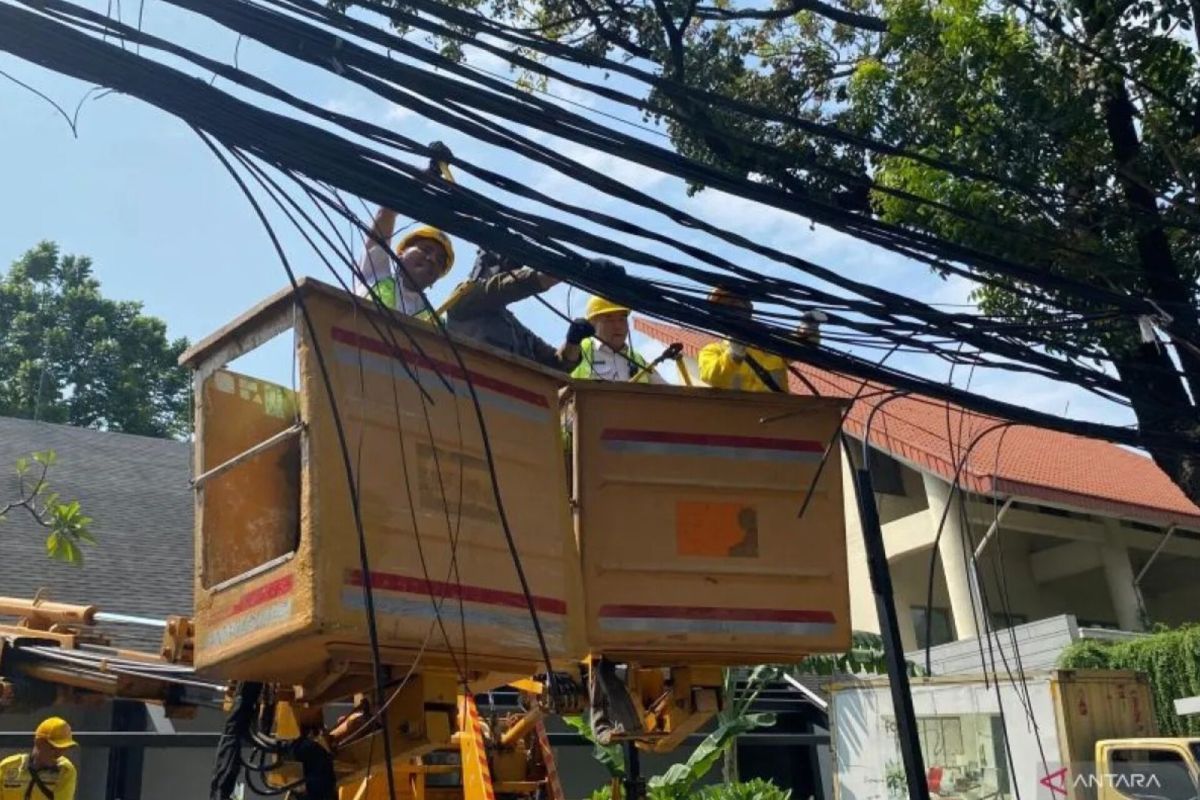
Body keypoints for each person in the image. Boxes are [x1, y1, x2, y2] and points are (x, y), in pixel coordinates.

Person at [444, 249, 592, 371]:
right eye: (495, 263)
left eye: (512, 266)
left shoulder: (514, 329)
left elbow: (558, 365)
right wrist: (569, 268)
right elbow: (502, 288)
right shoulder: (461, 300)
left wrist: (573, 342)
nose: (504, 270)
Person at [354, 206, 455, 318]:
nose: (432, 259)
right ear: (401, 253)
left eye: (439, 260)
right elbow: (386, 211)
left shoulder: (436, 323)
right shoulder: (376, 276)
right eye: (425, 250)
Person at [698, 287, 799, 393]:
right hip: (742, 408)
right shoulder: (712, 350)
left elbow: (800, 349)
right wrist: (733, 355)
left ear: (748, 307)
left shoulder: (769, 342)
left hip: (782, 407)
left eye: (735, 302)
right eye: (724, 306)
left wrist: (810, 328)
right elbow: (712, 377)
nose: (731, 309)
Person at [570, 296, 665, 383]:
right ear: (592, 323)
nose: (618, 326)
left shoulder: (637, 360)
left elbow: (668, 393)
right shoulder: (577, 352)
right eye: (609, 319)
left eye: (622, 319)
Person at [0, 717, 77, 799]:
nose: (58, 754)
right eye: (53, 748)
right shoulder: (7, 767)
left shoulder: (65, 771)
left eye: (63, 749)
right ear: (38, 742)